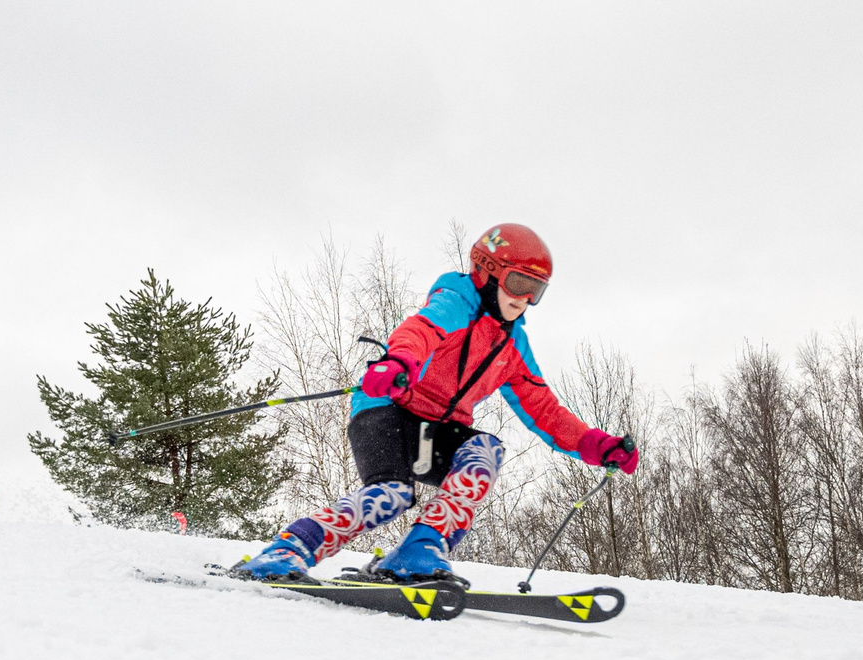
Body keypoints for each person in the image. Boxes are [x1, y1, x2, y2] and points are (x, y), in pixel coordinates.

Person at [238, 222, 641, 582]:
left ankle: (418, 551)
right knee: (391, 495)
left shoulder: (513, 345)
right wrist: (397, 362)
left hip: (438, 432)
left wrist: (595, 444)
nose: (525, 299)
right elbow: (422, 330)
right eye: (519, 284)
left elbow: (543, 407)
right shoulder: (456, 302)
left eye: (537, 291)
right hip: (387, 411)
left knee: (486, 450)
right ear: (488, 273)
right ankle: (289, 549)